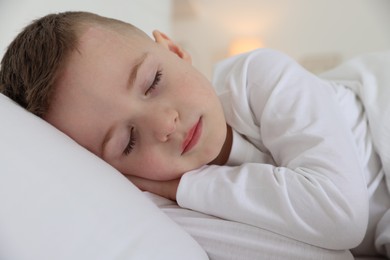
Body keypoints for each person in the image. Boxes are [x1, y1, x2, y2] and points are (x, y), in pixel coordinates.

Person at [0, 11, 389, 258]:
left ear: (174, 49)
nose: (165, 123)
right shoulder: (170, 213)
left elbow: (341, 218)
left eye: (153, 81)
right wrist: (174, 198)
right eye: (128, 141)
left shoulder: (260, 77)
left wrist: (185, 187)